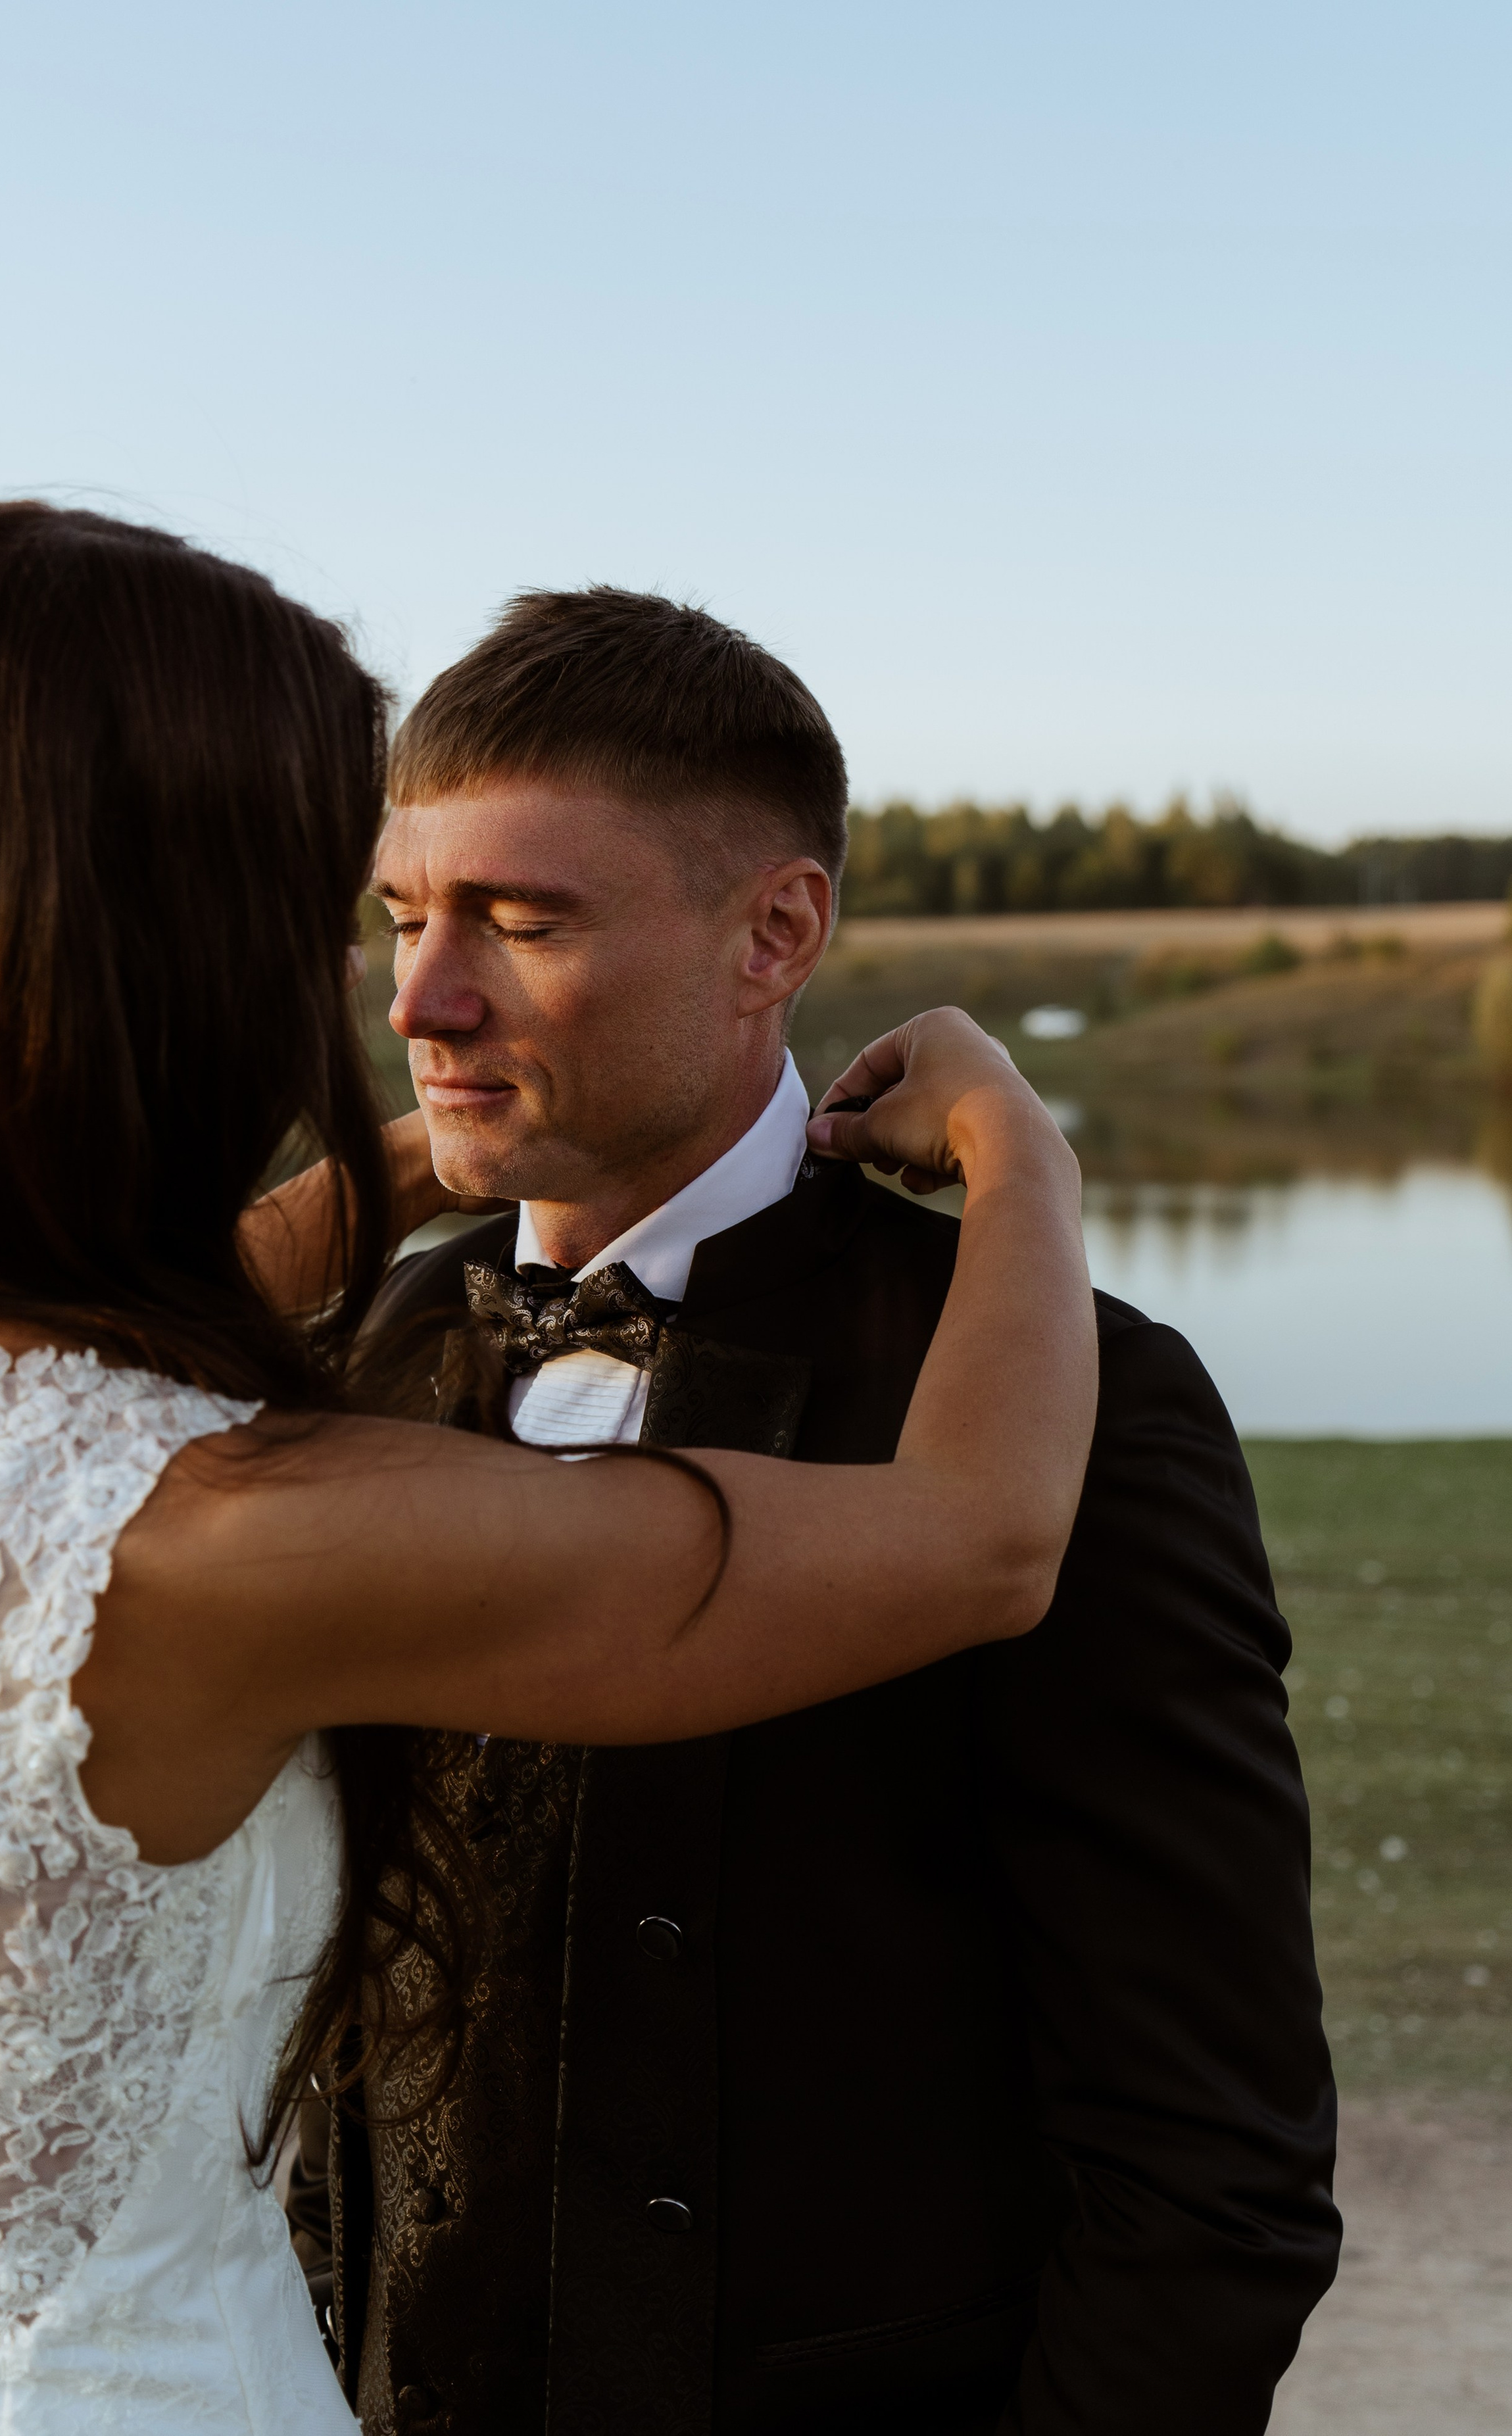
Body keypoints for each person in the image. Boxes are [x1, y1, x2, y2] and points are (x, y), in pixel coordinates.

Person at [0, 507, 1096, 2433]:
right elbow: (984, 1539)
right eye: (355, 915)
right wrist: (1025, 1155)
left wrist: (456, 1150)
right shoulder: (214, 1527)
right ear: (136, 947)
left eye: (517, 921)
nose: (404, 1000)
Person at [286, 587, 1341, 2436]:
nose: (421, 1000)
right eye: (405, 918)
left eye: (523, 926)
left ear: (777, 933)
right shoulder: (347, 1343)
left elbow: (1210, 2168)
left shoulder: (1070, 1388)